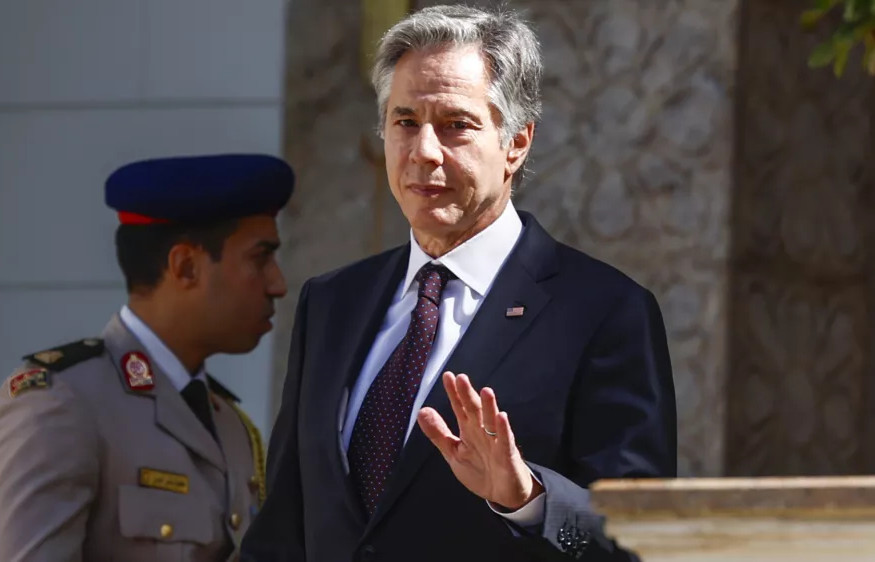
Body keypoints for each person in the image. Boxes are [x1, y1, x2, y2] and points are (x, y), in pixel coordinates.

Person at [240, 5, 676, 562]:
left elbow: (637, 541)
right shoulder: (332, 302)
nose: (424, 151)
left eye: (455, 125)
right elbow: (284, 529)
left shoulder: (603, 313)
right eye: (405, 122)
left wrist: (530, 501)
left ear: (516, 141)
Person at [0, 154, 293, 562]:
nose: (277, 285)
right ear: (186, 266)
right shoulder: (61, 403)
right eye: (260, 258)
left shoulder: (229, 423)